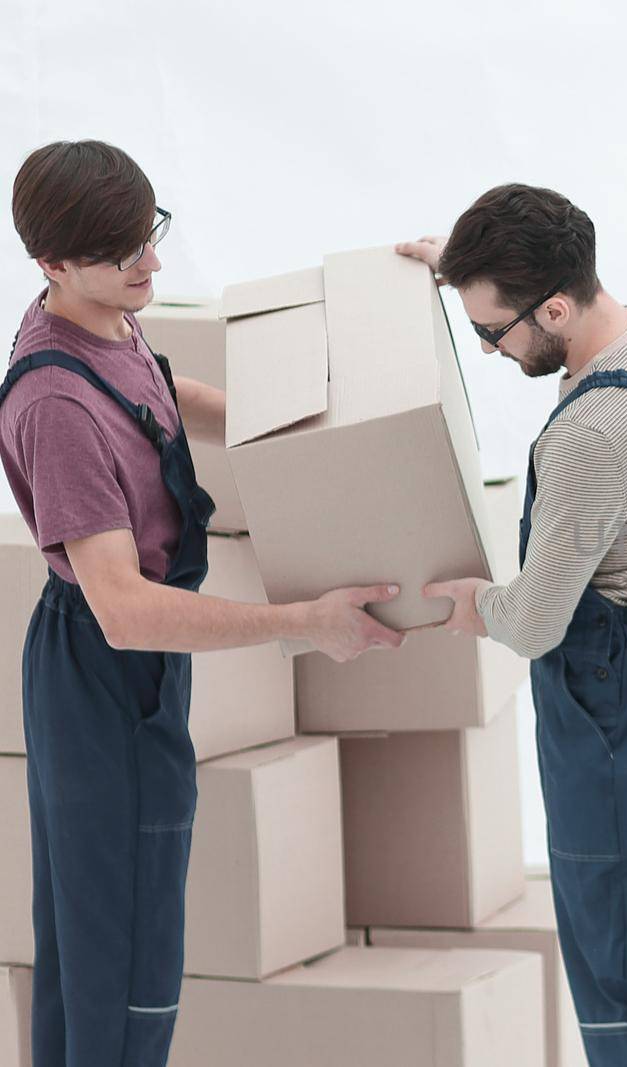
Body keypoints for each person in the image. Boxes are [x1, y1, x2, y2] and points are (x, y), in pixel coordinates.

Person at [1, 140, 404, 1067]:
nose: (152, 264)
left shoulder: (106, 315)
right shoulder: (53, 406)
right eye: (125, 254)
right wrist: (301, 623)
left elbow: (159, 397)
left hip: (120, 669)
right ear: (52, 266)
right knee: (124, 962)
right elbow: (126, 612)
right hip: (103, 674)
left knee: (91, 948)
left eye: (152, 237)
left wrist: (290, 416)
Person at [402, 183, 627, 1067]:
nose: (484, 348)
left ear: (554, 305)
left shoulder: (592, 434)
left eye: (492, 330)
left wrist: (476, 602)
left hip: (619, 709)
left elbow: (538, 621)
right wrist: (463, 264)